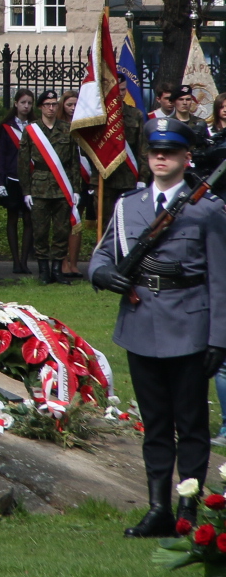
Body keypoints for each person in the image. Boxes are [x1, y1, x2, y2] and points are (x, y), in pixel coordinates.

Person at [89, 115, 226, 537]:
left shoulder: (208, 209)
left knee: (191, 422)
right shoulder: (129, 205)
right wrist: (102, 274)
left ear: (187, 157)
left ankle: (187, 508)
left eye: (169, 152)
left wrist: (219, 337)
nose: (160, 158)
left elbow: (221, 277)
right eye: (154, 152)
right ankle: (156, 508)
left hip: (189, 324)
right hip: (140, 322)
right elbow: (102, 254)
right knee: (155, 422)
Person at [20, 89, 79, 284]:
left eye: (54, 104)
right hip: (40, 186)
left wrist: (76, 189)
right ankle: (43, 271)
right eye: (47, 105)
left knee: (62, 231)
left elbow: (74, 161)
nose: (51, 108)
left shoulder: (66, 129)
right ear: (40, 107)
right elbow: (22, 162)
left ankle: (57, 270)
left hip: (62, 187)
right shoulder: (31, 130)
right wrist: (26, 191)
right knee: (40, 231)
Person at [0, 89, 35, 274]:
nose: (26, 106)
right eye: (23, 102)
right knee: (12, 219)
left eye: (29, 103)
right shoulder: (6, 127)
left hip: (31, 179)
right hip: (11, 178)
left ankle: (25, 261)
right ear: (16, 103)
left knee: (29, 220)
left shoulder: (36, 126)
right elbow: (0, 156)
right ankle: (15, 260)